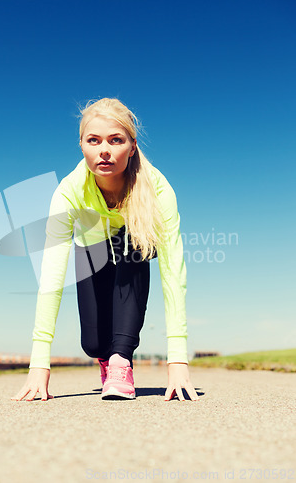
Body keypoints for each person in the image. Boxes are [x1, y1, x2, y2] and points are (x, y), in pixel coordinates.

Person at [11, 97, 199, 402]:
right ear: (82, 145)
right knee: (94, 343)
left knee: (134, 245)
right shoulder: (68, 192)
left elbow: (173, 272)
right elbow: (52, 276)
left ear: (132, 146)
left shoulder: (157, 188)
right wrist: (39, 364)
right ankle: (105, 356)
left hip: (134, 243)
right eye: (94, 140)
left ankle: (120, 362)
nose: (105, 150)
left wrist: (178, 360)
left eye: (116, 140)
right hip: (91, 245)